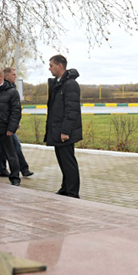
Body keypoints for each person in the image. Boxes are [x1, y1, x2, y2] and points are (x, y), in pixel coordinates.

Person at [44, 55, 82, 198]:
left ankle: (72, 192)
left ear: (60, 66)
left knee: (68, 162)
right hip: (57, 130)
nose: (49, 68)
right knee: (63, 162)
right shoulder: (58, 83)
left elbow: (72, 110)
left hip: (64, 132)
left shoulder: (70, 84)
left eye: (51, 65)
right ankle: (65, 188)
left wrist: (65, 131)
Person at [0, 67, 34, 177]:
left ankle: (2, 170)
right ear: (6, 76)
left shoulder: (12, 88)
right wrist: (12, 122)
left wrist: (15, 121)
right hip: (5, 124)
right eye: (13, 74)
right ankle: (24, 169)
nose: (15, 76)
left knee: (3, 148)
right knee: (15, 146)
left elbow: (15, 108)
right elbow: (4, 108)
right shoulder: (4, 89)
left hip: (9, 123)